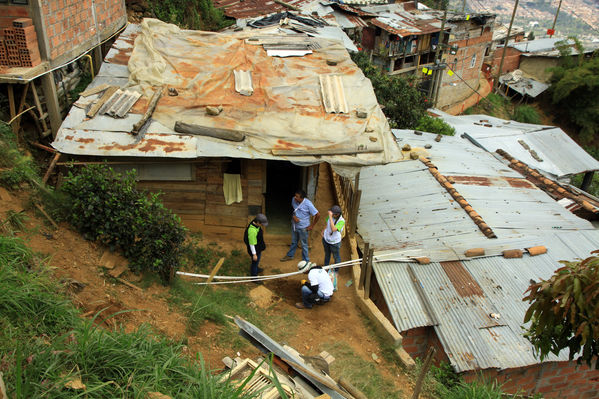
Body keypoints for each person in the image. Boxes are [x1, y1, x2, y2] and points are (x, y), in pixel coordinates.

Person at [280, 189, 320, 262]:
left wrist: (312, 226)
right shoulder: (293, 199)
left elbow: (317, 215)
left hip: (303, 228)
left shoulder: (308, 204)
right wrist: (293, 216)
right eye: (295, 195)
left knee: (304, 245)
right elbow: (293, 209)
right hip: (295, 226)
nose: (295, 197)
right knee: (294, 242)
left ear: (302, 198)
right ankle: (290, 255)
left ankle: (306, 261)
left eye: (297, 197)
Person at [322, 205, 344, 291]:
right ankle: (325, 268)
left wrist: (330, 217)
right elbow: (328, 225)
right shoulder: (330, 217)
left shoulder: (342, 221)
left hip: (334, 242)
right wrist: (323, 231)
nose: (330, 214)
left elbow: (333, 228)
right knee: (327, 254)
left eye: (332, 214)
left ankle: (336, 270)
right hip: (326, 239)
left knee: (336, 256)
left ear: (337, 214)